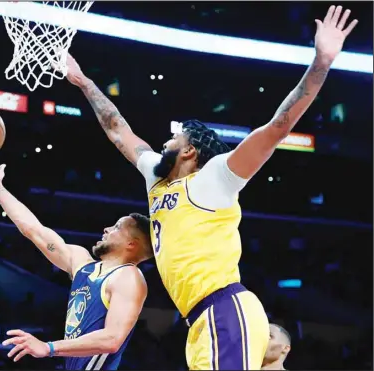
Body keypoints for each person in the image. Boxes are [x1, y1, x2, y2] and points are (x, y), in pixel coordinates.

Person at [65, 6, 357, 370]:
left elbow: (278, 126)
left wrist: (321, 63)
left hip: (225, 308)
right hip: (200, 319)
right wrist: (83, 82)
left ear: (189, 150)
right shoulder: (156, 177)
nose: (165, 140)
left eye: (174, 137)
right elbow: (116, 127)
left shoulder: (217, 176)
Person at [0, 157, 152, 370]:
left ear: (131, 244)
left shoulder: (129, 277)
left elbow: (112, 339)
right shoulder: (82, 264)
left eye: (117, 226)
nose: (107, 228)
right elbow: (34, 230)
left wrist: (49, 347)